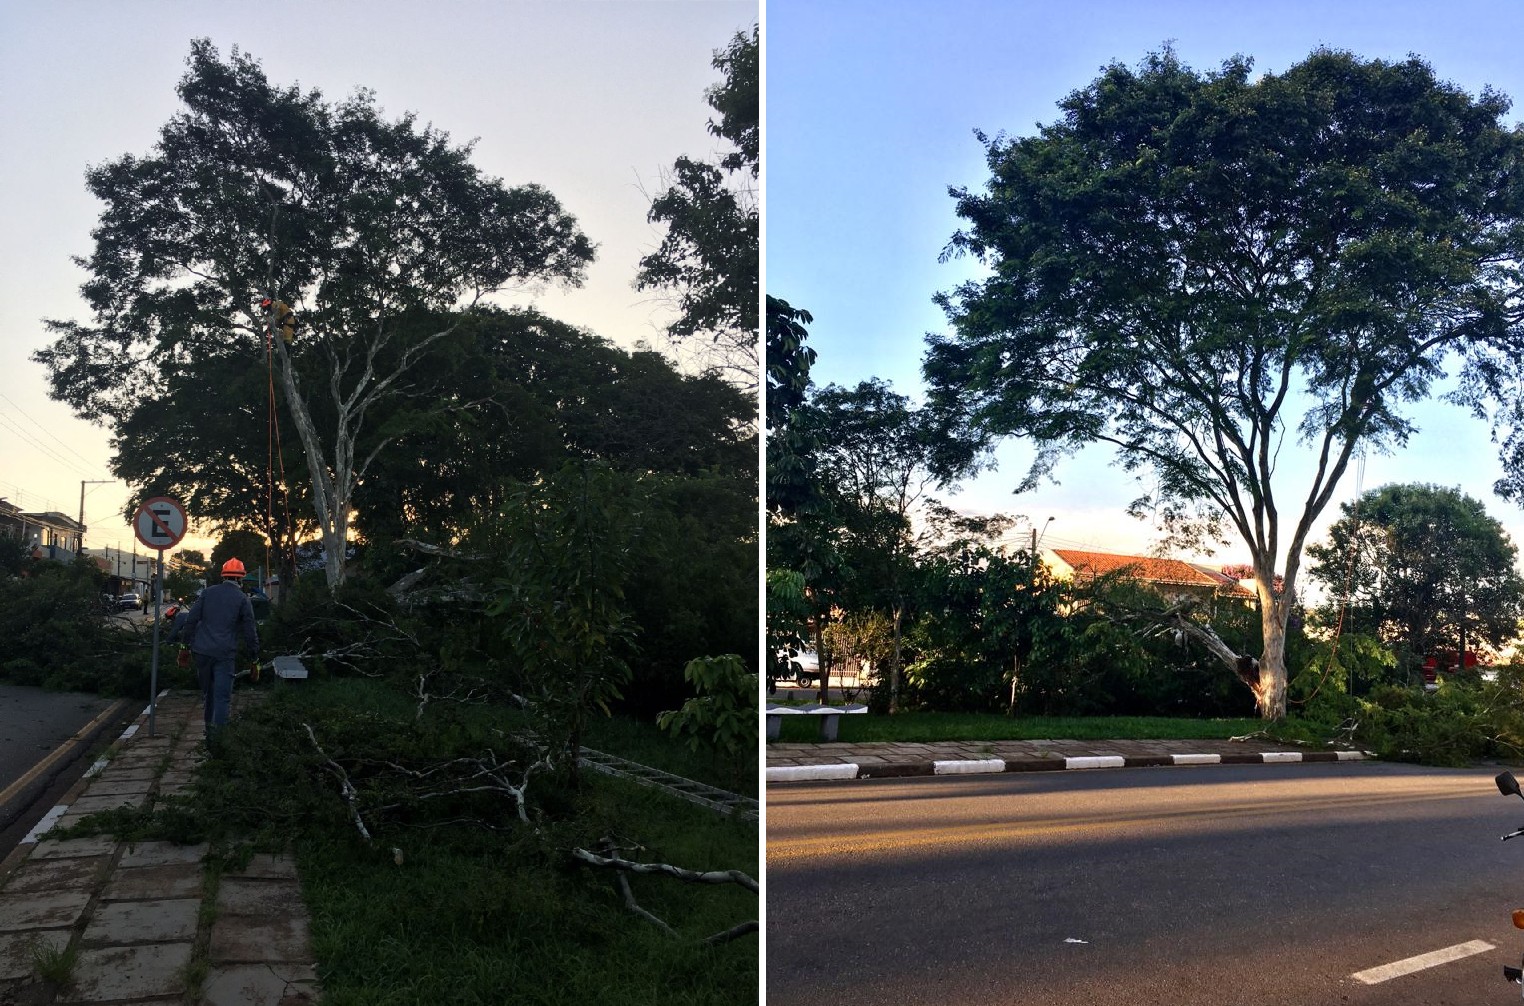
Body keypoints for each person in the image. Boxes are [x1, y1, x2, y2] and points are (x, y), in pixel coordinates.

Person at [179, 558, 260, 736]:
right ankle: (219, 741)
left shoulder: (207, 593)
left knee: (209, 695)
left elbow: (191, 620)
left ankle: (209, 735)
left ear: (223, 576)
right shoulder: (242, 599)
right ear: (240, 578)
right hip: (224, 654)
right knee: (222, 698)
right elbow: (250, 632)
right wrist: (254, 659)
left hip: (202, 652)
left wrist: (184, 647)